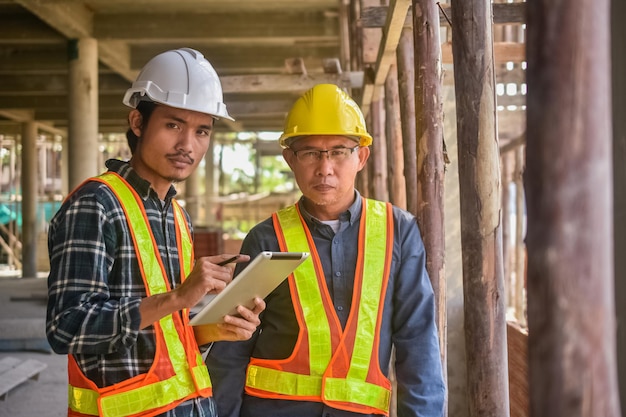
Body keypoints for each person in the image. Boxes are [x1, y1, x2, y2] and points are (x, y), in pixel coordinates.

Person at [46, 47, 265, 417]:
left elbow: (163, 338)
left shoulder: (177, 216)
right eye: (173, 125)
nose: (188, 145)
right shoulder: (96, 203)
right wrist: (177, 298)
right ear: (137, 122)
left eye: (201, 131)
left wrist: (216, 329)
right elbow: (66, 328)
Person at [206, 83, 446, 417]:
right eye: (310, 153)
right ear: (290, 159)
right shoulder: (266, 238)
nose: (325, 168)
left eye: (338, 151)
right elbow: (232, 347)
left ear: (361, 156)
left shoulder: (398, 231)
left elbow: (417, 341)